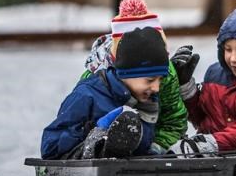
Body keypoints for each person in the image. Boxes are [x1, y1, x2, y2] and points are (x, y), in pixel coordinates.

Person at [41, 26, 171, 160]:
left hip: (124, 175)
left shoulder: (148, 101)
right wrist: (91, 130)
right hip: (83, 170)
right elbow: (50, 148)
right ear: (127, 73)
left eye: (160, 80)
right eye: (150, 80)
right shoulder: (87, 95)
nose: (156, 88)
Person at [82, 0, 187, 153]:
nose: (156, 86)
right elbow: (74, 124)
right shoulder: (94, 78)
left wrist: (157, 147)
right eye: (150, 79)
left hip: (150, 145)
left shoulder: (166, 75)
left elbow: (174, 120)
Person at [170, 5, 236, 154]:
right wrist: (185, 88)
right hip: (207, 161)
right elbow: (200, 117)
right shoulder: (215, 75)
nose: (233, 58)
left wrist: (208, 145)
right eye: (228, 49)